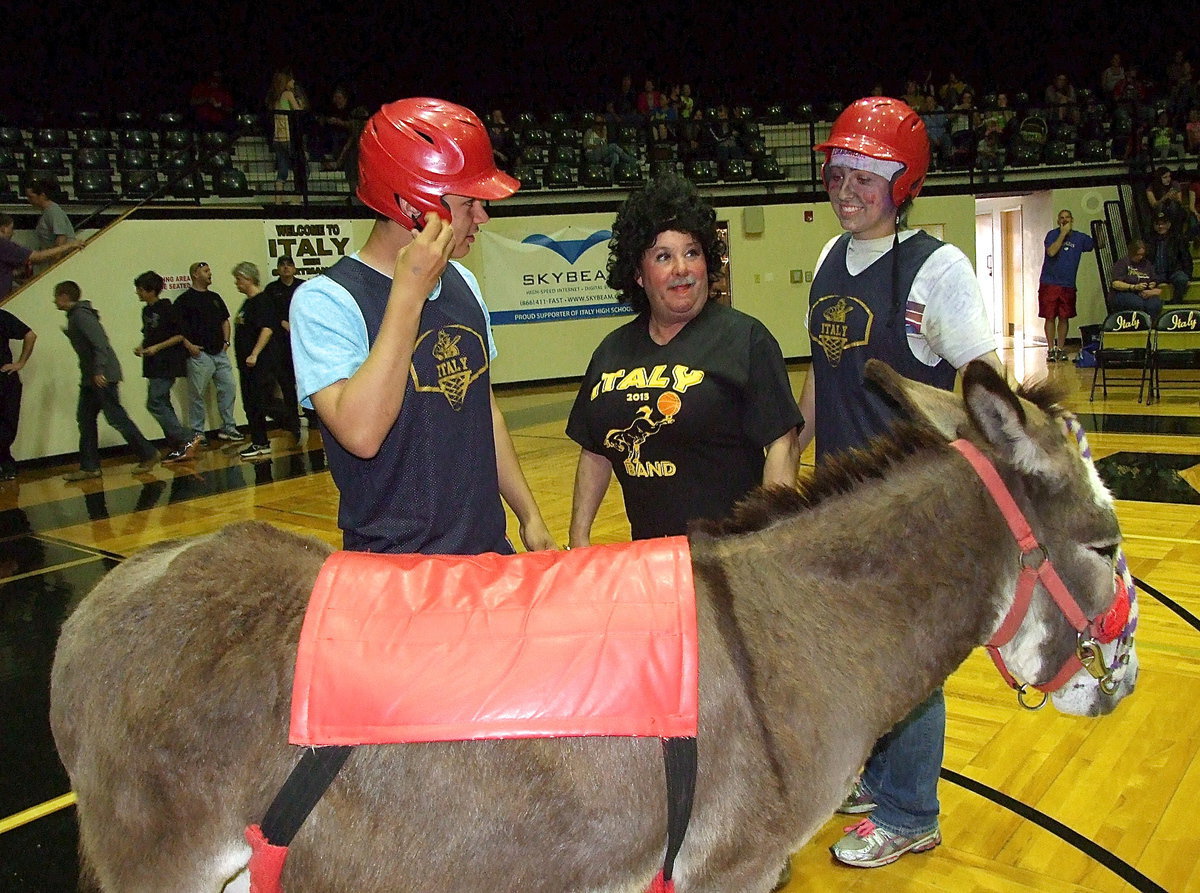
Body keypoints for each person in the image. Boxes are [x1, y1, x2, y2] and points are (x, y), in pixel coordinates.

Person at [800, 97, 1001, 869]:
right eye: (837, 171)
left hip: (910, 507)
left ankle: (911, 808)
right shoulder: (826, 261)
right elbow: (826, 373)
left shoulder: (936, 270)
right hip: (840, 498)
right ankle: (878, 776)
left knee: (910, 659)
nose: (844, 187)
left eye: (864, 176)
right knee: (857, 650)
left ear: (903, 181)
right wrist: (792, 440)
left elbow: (983, 382)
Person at [290, 97, 556, 555]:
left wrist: (529, 515)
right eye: (469, 203)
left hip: (487, 553)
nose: (483, 218)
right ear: (413, 206)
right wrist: (408, 296)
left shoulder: (465, 283)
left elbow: (484, 410)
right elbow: (361, 434)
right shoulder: (325, 302)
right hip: (396, 571)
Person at [566, 173, 800, 546]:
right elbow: (595, 452)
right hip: (650, 558)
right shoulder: (611, 352)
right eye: (663, 257)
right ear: (639, 275)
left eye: (692, 252)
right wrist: (578, 540)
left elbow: (782, 444)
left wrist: (768, 539)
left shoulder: (745, 340)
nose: (681, 269)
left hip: (729, 557)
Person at [54, 280, 160, 480]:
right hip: (91, 378)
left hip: (101, 376)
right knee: (85, 418)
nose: (54, 301)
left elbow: (100, 343)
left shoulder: (81, 316)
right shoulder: (76, 316)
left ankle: (148, 453)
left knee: (115, 417)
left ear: (64, 297)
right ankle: (89, 466)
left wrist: (99, 370)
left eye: (56, 297)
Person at [231, 261, 298, 459]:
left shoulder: (262, 301)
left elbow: (267, 329)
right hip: (247, 365)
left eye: (239, 279)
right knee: (251, 404)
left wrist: (255, 353)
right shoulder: (248, 302)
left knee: (263, 402)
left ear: (248, 278)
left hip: (261, 364)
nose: (237, 284)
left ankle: (291, 423)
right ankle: (260, 442)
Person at [133, 270, 199, 462]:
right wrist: (142, 346)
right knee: (162, 402)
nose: (137, 293)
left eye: (140, 289)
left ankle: (188, 438)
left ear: (150, 290)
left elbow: (179, 335)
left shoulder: (167, 309)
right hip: (153, 363)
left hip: (166, 362)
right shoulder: (146, 311)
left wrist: (157, 348)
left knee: (154, 401)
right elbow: (150, 335)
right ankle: (178, 444)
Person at [175, 261, 244, 444]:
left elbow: (225, 321)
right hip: (199, 355)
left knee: (228, 389)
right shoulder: (184, 300)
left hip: (219, 353)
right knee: (197, 395)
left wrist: (226, 342)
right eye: (205, 271)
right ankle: (198, 433)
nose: (210, 273)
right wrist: (190, 346)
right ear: (195, 274)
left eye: (209, 270)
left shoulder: (215, 297)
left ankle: (228, 427)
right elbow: (177, 329)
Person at [1037, 209, 1095, 362]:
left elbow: (1095, 244)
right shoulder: (1052, 235)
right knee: (1049, 317)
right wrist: (1062, 234)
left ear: (1072, 219)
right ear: (1058, 221)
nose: (1064, 220)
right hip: (1049, 282)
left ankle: (1061, 348)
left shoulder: (1080, 238)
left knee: (1064, 317)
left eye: (1067, 218)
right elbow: (1051, 252)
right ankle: (1050, 349)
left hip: (1068, 284)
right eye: (1061, 218)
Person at [262, 255, 305, 422]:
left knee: (304, 380)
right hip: (281, 343)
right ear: (278, 269)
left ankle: (312, 416)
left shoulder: (303, 286)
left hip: (302, 340)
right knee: (286, 382)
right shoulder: (272, 289)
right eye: (282, 265)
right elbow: (269, 313)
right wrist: (282, 322)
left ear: (294, 268)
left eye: (289, 265)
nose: (286, 268)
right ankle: (292, 417)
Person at [0, 212, 82, 298]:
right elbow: (37, 257)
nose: (13, 233)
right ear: (3, 229)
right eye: (11, 229)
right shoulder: (4, 245)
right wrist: (69, 245)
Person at [0, 307, 34, 481]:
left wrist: (20, 363)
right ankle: (7, 463)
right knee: (6, 423)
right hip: (5, 380)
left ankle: (6, 463)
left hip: (4, 380)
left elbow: (30, 334)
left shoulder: (1, 316)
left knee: (7, 423)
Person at [267, 69, 307, 201]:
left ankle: (278, 199)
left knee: (283, 170)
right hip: (288, 137)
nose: (294, 82)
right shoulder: (288, 94)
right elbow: (298, 111)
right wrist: (301, 103)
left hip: (277, 138)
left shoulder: (275, 98)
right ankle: (298, 198)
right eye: (291, 79)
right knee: (301, 166)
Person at [1109, 240, 1165, 318]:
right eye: (1138, 255)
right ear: (1132, 253)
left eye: (1142, 255)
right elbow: (1115, 283)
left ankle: (1151, 324)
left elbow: (1154, 279)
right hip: (1126, 292)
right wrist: (1134, 287)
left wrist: (1153, 284)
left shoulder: (1147, 264)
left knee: (1155, 304)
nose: (1140, 257)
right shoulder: (1122, 263)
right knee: (1137, 303)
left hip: (1146, 292)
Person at [1146, 212, 1192, 304]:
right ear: (1154, 226)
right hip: (1155, 273)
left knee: (1182, 279)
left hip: (1173, 271)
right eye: (1158, 224)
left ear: (1169, 224)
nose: (1160, 226)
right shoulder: (1148, 240)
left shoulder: (1177, 238)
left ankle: (1176, 302)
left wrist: (1188, 276)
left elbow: (1186, 258)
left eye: (1163, 223)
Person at [25, 178, 76, 250]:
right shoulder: (47, 212)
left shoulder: (53, 211)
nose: (28, 200)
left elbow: (61, 238)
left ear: (42, 195)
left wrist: (56, 258)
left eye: (31, 197)